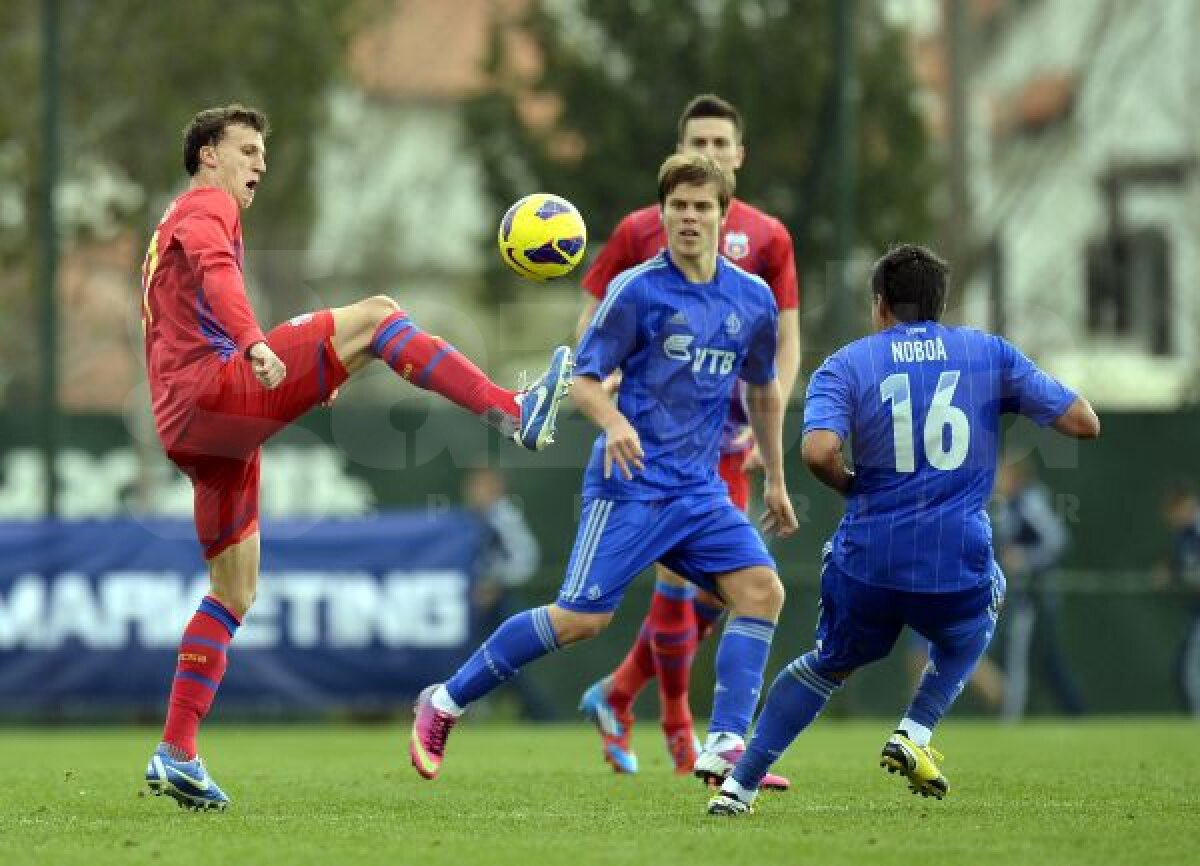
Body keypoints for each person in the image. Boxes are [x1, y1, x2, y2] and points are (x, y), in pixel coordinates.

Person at [140, 104, 573, 811]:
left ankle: (176, 750)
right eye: (246, 149)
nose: (259, 163)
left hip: (192, 424)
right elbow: (220, 282)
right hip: (211, 396)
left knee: (234, 590)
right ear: (207, 155)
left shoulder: (174, 224)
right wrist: (255, 345)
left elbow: (193, 313)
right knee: (377, 315)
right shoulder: (205, 208)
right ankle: (514, 410)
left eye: (262, 153)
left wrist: (299, 371)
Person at [408, 152, 798, 786]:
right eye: (677, 206)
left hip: (699, 490)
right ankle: (444, 700)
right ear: (665, 213)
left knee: (763, 591)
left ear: (723, 217)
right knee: (582, 619)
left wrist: (777, 477)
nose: (688, 217)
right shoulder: (638, 290)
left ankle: (727, 745)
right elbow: (584, 382)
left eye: (701, 206)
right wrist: (616, 422)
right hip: (631, 485)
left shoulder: (752, 299)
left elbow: (763, 392)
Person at [707, 243, 1100, 816]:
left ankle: (738, 788)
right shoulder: (987, 353)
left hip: (869, 553)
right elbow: (1084, 422)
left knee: (828, 663)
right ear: (940, 304)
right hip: (955, 555)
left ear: (880, 305)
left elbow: (817, 452)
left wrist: (852, 487)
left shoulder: (847, 363)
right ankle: (915, 730)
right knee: (983, 606)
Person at [575, 93, 800, 780]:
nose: (707, 154)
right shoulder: (646, 228)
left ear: (739, 156)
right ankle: (684, 732)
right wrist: (601, 388)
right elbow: (593, 321)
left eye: (719, 143)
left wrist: (772, 423)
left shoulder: (767, 238)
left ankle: (620, 695)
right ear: (677, 151)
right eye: (695, 141)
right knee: (682, 587)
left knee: (718, 597)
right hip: (665, 441)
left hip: (733, 438)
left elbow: (784, 341)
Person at [993, 455, 1085, 720]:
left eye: (1002, 472)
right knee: (1040, 659)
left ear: (1015, 475)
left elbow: (1058, 540)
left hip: (1037, 594)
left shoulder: (1029, 501)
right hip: (1022, 594)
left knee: (1026, 656)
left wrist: (1025, 558)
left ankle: (1012, 717)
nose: (996, 478)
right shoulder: (1006, 505)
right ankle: (1074, 712)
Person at [463, 467, 558, 721]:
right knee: (478, 656)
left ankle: (541, 714)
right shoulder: (473, 518)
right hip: (476, 600)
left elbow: (525, 557)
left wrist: (497, 583)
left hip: (498, 599)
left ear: (495, 488)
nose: (475, 493)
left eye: (481, 486)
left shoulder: (503, 516)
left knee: (505, 658)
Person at [1158, 483, 1200, 715]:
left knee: (1192, 669)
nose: (1172, 518)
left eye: (1174, 512)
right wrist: (1171, 570)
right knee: (1187, 669)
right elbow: (1186, 565)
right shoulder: (1183, 534)